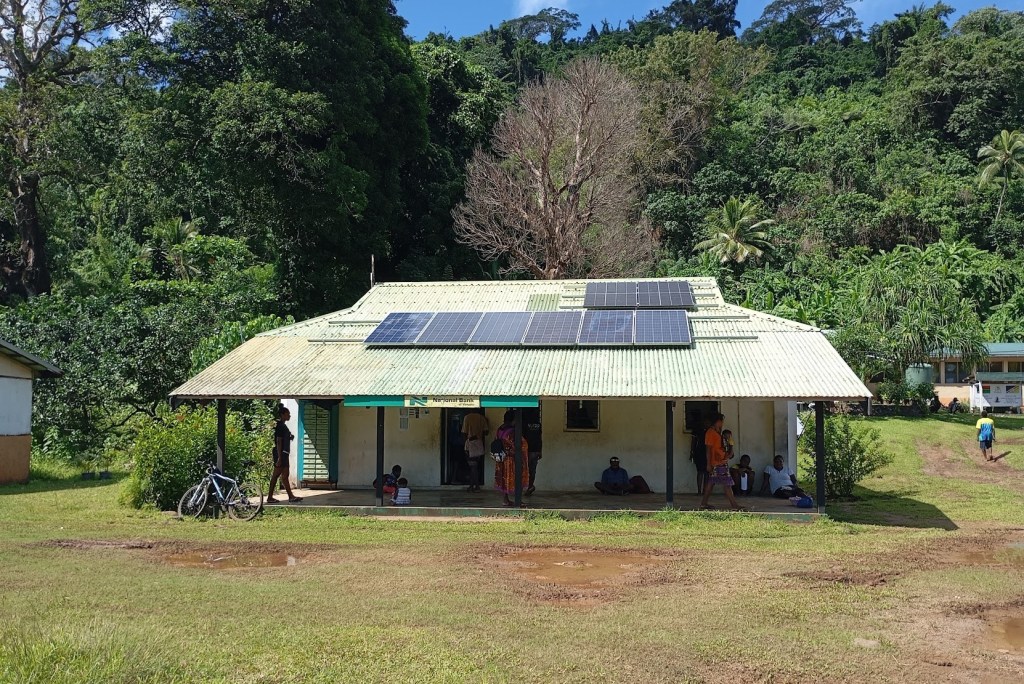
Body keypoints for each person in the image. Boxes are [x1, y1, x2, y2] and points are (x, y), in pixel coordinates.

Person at [699, 413, 745, 511]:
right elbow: (708, 450)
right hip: (717, 463)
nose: (722, 423)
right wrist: (708, 464)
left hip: (719, 461)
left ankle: (704, 503)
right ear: (717, 421)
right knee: (727, 484)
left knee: (711, 483)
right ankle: (734, 505)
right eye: (721, 421)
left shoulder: (716, 432)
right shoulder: (711, 433)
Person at [267, 404, 302, 504]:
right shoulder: (280, 426)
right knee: (276, 475)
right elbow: (278, 441)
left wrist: (289, 437)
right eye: (288, 414)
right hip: (281, 454)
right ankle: (270, 497)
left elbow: (284, 438)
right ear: (282, 415)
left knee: (285, 476)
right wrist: (279, 457)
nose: (289, 416)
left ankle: (291, 496)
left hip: (285, 453)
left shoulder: (283, 426)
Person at [495, 410, 529, 507]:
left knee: (503, 478)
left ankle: (505, 499)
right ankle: (519, 500)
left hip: (501, 458)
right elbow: (519, 445)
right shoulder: (513, 432)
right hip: (512, 459)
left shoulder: (500, 429)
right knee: (518, 477)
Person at [461, 409, 489, 492]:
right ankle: (473, 486)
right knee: (475, 466)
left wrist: (465, 445)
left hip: (470, 443)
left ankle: (475, 486)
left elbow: (464, 432)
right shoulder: (482, 418)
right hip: (479, 443)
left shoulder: (467, 417)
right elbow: (486, 432)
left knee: (473, 467)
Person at [524, 409, 542, 496]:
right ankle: (530, 486)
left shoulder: (525, 424)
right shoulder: (538, 424)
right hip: (535, 450)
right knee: (532, 470)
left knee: (524, 470)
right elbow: (539, 438)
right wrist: (540, 450)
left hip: (527, 450)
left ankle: (527, 486)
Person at [690, 417, 709, 495]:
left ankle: (705, 491)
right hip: (699, 452)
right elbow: (693, 441)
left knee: (707, 472)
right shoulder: (697, 429)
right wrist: (692, 452)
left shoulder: (711, 430)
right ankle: (699, 491)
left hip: (708, 452)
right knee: (700, 471)